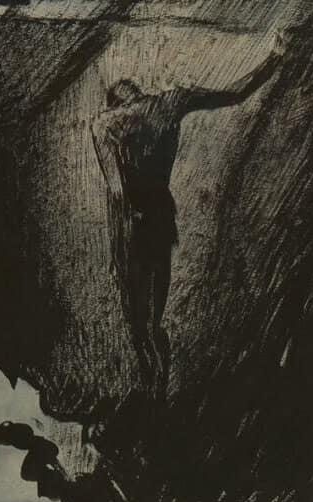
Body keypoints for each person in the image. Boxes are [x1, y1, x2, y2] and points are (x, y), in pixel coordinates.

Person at [92, 34, 287, 401]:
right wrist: (274, 58)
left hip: (135, 224)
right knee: (154, 316)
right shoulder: (172, 101)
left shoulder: (107, 124)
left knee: (138, 319)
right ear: (137, 92)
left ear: (117, 100)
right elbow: (234, 93)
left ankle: (153, 387)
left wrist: (123, 207)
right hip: (160, 217)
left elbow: (116, 187)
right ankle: (158, 385)